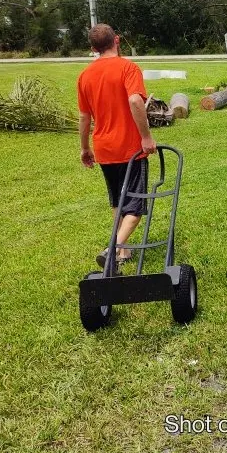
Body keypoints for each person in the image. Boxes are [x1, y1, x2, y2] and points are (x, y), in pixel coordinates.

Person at [77, 24, 157, 270]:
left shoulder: (85, 76)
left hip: (104, 148)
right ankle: (113, 248)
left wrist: (84, 148)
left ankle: (123, 252)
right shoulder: (128, 68)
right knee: (135, 204)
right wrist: (146, 137)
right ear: (117, 40)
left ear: (93, 49)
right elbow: (135, 99)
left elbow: (84, 117)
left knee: (117, 201)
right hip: (130, 148)